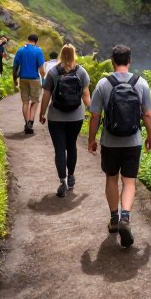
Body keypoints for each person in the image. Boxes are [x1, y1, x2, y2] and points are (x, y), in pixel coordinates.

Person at [87, 44, 151, 248]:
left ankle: (114, 218)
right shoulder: (141, 83)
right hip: (133, 141)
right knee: (130, 181)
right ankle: (126, 217)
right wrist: (150, 136)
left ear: (112, 61)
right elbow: (148, 114)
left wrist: (92, 139)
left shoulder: (103, 84)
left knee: (111, 178)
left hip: (110, 141)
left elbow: (95, 115)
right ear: (130, 61)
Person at [39, 44, 91, 197]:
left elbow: (47, 95)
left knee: (60, 149)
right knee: (72, 146)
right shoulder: (81, 72)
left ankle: (63, 181)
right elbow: (86, 95)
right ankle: (71, 176)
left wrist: (42, 113)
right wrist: (92, 110)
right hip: (76, 117)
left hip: (56, 117)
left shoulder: (53, 72)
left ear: (61, 55)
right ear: (74, 55)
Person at [12, 33, 45, 134]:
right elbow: (41, 68)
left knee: (25, 102)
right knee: (35, 101)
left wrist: (14, 80)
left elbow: (15, 66)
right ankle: (31, 122)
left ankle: (26, 123)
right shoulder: (38, 50)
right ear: (36, 41)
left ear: (28, 39)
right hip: (34, 79)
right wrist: (43, 79)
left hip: (23, 79)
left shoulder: (20, 50)